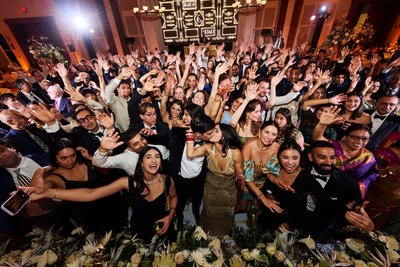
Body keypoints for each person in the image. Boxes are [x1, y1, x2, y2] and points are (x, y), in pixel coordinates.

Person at [23, 146, 176, 243]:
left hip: (164, 226)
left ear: (161, 163)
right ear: (141, 162)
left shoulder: (168, 180)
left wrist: (170, 217)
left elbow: (174, 198)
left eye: (157, 157)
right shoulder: (126, 182)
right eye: (148, 156)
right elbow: (92, 194)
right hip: (140, 228)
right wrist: (49, 192)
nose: (153, 160)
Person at [186, 123, 244, 236]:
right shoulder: (208, 148)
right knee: (209, 211)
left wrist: (241, 189)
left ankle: (226, 232)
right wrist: (189, 133)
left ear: (225, 135)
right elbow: (190, 153)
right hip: (211, 185)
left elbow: (240, 175)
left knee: (226, 212)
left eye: (216, 131)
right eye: (212, 130)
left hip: (229, 187)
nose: (212, 133)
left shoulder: (235, 152)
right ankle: (207, 235)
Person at [312, 106, 378, 197]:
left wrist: (357, 195)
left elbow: (368, 178)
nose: (359, 142)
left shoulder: (368, 157)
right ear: (345, 137)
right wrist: (322, 124)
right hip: (319, 188)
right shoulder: (333, 146)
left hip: (346, 194)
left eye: (365, 139)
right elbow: (317, 138)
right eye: (355, 137)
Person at [242, 121, 281, 223]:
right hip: (247, 183)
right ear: (260, 131)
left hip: (264, 182)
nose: (269, 137)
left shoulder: (276, 147)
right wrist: (263, 198)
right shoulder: (249, 146)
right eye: (266, 132)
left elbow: (272, 171)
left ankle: (254, 215)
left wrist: (276, 181)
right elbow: (248, 178)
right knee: (242, 206)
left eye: (273, 134)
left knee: (261, 207)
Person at [365, 132, 400, 230]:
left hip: (389, 217)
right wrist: (384, 172)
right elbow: (366, 178)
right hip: (367, 208)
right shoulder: (384, 155)